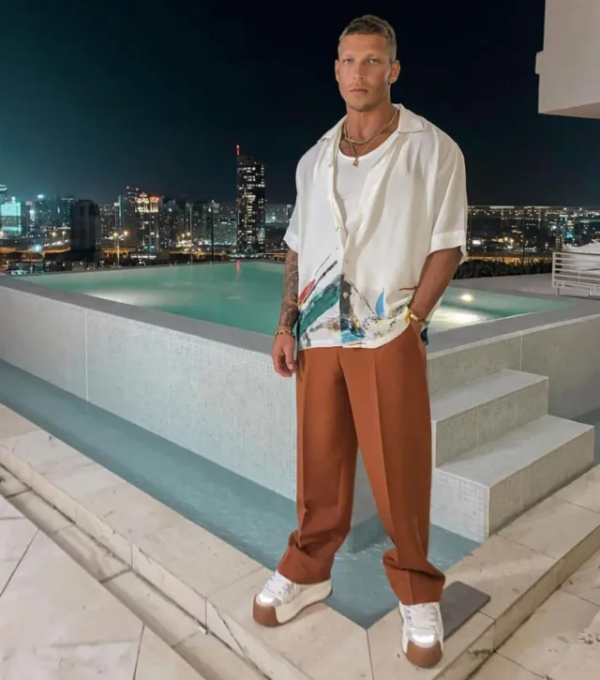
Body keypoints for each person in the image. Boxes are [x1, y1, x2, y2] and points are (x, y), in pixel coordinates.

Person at [252, 14, 467, 670]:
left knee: (400, 469)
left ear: (393, 69)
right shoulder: (313, 159)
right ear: (336, 69)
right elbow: (297, 248)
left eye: (372, 61)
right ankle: (307, 571)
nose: (358, 73)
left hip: (387, 335)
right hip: (319, 336)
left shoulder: (435, 149)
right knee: (318, 465)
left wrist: (413, 323)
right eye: (348, 60)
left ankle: (417, 591)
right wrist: (286, 325)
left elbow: (447, 246)